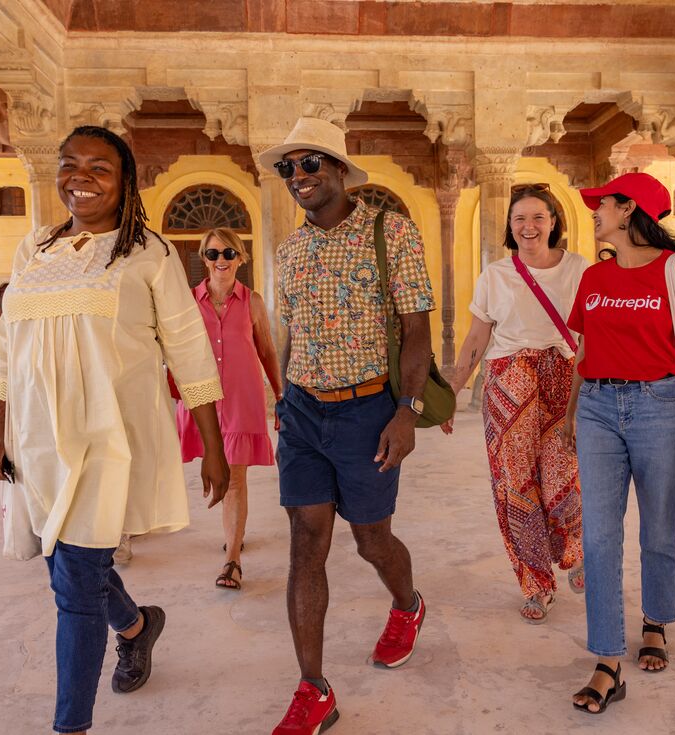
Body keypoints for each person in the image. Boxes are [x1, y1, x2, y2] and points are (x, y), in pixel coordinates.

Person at [0, 125, 230, 735]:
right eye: (71, 165)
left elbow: (189, 349)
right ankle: (139, 627)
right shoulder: (34, 249)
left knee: (73, 582)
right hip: (38, 435)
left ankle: (71, 726)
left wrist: (214, 448)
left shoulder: (149, 251)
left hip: (109, 437)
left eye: (100, 168)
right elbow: (8, 343)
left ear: (125, 183)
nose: (82, 178)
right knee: (66, 561)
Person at [258, 117, 435, 735]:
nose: (298, 177)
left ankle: (408, 605)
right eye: (287, 168)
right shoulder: (289, 249)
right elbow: (290, 332)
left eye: (309, 164)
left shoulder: (392, 232)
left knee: (370, 541)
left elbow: (416, 330)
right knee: (307, 545)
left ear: (338, 169)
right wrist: (282, 401)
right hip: (303, 413)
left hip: (367, 412)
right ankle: (314, 688)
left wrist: (406, 412)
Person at [562, 173, 675, 714]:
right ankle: (607, 659)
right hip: (598, 411)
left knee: (658, 529)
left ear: (629, 210)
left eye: (601, 204)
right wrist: (570, 413)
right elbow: (584, 352)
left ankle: (655, 622)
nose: (594, 212)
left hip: (660, 408)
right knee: (600, 537)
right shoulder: (593, 276)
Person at [445, 184, 586, 624]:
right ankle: (536, 583)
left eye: (538, 217)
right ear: (510, 226)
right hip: (509, 385)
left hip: (565, 379)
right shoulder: (495, 276)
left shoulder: (579, 269)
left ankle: (576, 550)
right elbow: (475, 339)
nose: (529, 226)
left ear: (554, 221)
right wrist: (453, 391)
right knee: (516, 486)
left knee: (569, 475)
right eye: (520, 219)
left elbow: (595, 334)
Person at [173, 227, 281, 590]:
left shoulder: (253, 302)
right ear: (203, 259)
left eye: (229, 253)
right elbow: (174, 352)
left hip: (241, 401)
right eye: (214, 254)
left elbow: (266, 351)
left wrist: (282, 399)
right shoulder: (188, 302)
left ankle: (232, 559)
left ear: (240, 258)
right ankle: (233, 536)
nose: (222, 260)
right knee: (217, 473)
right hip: (203, 403)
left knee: (235, 479)